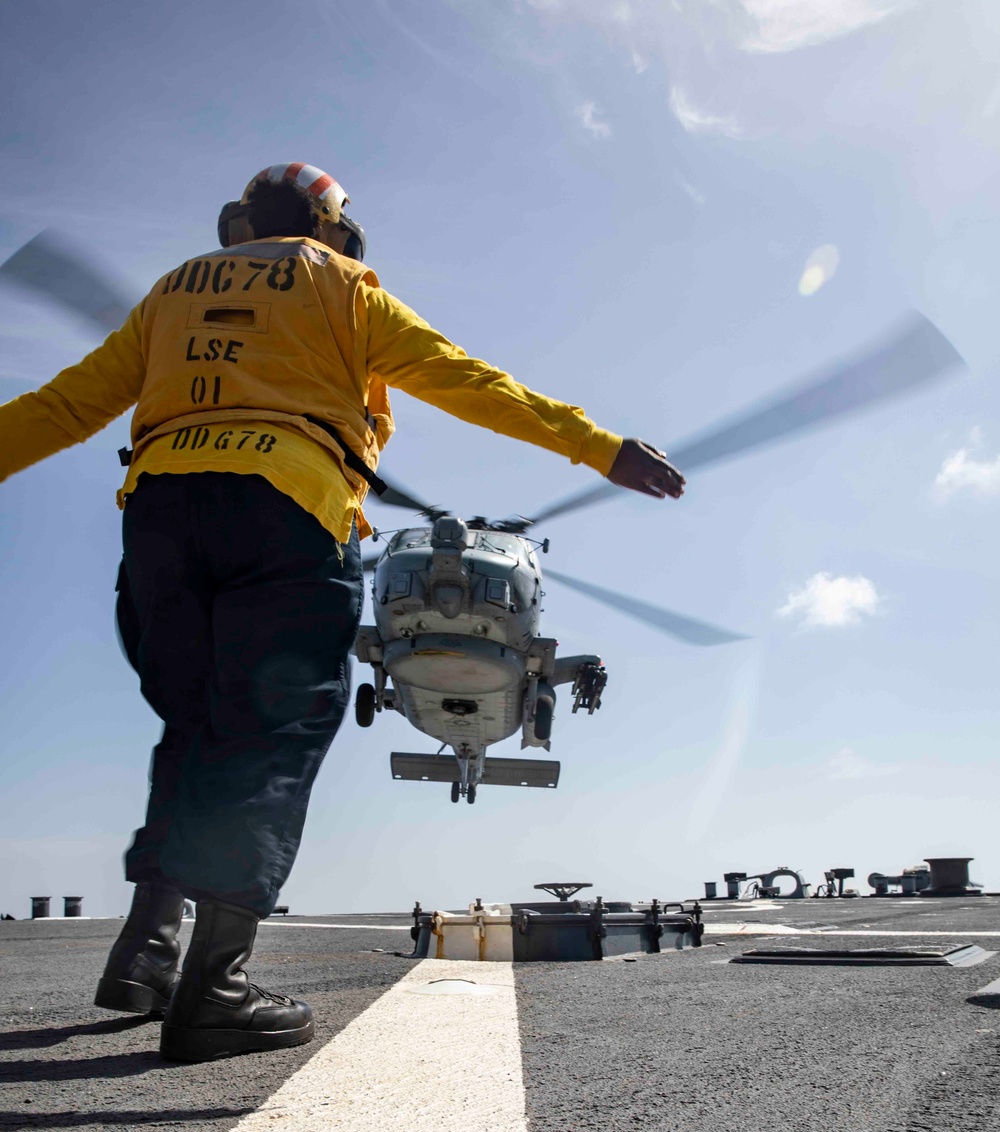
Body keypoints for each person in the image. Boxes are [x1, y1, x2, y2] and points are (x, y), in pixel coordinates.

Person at [0, 162, 685, 1063]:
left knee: (196, 730)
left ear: (243, 221)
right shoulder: (345, 285)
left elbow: (63, 406)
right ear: (333, 226)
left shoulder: (172, 292)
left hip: (161, 522)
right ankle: (215, 992)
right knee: (275, 734)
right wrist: (596, 446)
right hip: (285, 511)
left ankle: (146, 954)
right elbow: (469, 379)